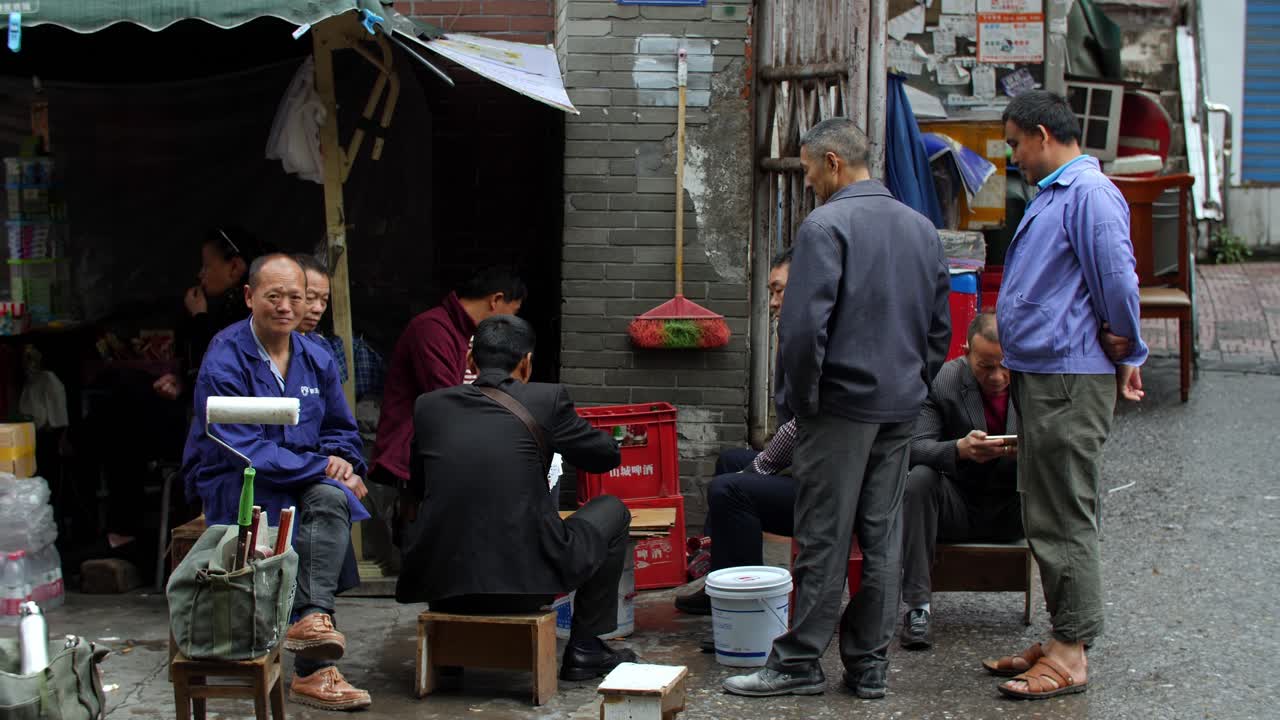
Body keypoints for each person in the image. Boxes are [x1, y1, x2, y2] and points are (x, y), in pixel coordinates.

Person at [723, 117, 951, 699]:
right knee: (881, 538)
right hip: (899, 405)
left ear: (831, 162)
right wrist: (913, 384)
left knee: (822, 538)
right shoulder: (923, 229)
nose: (806, 184)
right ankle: (869, 665)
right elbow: (938, 329)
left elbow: (802, 333)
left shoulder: (825, 226)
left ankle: (799, 661)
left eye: (805, 171)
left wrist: (801, 401)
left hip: (839, 407)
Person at [985, 90, 1146, 700]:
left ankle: (1072, 651)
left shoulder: (1089, 194)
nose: (1013, 156)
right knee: (1046, 506)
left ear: (1044, 135)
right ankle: (1062, 636)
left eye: (1016, 143)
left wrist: (1126, 347)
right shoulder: (1059, 191)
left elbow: (1118, 280)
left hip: (1068, 378)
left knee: (1064, 512)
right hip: (1048, 375)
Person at [396, 315, 636, 681]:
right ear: (526, 361)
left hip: (440, 580)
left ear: (470, 362)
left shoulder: (429, 406)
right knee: (613, 511)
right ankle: (586, 647)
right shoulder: (547, 398)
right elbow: (605, 457)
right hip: (529, 583)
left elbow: (417, 484)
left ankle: (450, 654)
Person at [181, 254, 372, 712]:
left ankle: (313, 627)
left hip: (302, 476)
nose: (287, 306)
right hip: (238, 477)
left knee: (331, 497)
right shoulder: (225, 356)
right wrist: (320, 466)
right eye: (274, 296)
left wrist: (343, 462)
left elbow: (340, 430)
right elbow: (240, 445)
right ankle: (315, 663)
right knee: (303, 506)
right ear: (250, 297)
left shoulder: (316, 356)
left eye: (296, 297)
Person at [82, 226, 262, 582]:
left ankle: (124, 532)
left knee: (120, 422)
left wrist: (198, 319)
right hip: (193, 410)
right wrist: (179, 380)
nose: (200, 274)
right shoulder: (208, 307)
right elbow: (195, 366)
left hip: (223, 428)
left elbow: (222, 367)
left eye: (207, 265)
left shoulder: (242, 314)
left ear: (235, 267)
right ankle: (118, 530)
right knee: (118, 403)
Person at [675, 247, 795, 615]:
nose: (773, 302)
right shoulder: (790, 332)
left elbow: (803, 424)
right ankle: (718, 582)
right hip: (805, 464)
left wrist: (760, 468)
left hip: (827, 483)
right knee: (731, 461)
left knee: (730, 489)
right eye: (771, 292)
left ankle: (744, 603)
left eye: (780, 291)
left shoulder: (816, 339)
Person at [899, 313, 1022, 650]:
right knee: (919, 481)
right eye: (985, 366)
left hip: (1014, 502)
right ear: (967, 352)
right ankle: (917, 608)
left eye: (1005, 365)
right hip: (958, 503)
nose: (998, 376)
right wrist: (959, 449)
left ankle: (1065, 613)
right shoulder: (943, 381)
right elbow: (914, 447)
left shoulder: (1030, 379)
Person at [370, 267, 527, 495]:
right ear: (496, 300)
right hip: (416, 455)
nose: (511, 322)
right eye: (513, 313)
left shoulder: (468, 334)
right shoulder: (431, 329)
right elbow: (448, 401)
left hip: (449, 447)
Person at [292, 253, 386, 402]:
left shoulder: (322, 349)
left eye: (324, 301)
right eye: (310, 298)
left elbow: (336, 414)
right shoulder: (253, 344)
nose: (318, 308)